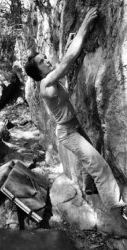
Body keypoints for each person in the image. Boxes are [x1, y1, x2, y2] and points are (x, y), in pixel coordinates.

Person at [24, 8, 127, 220]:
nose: (47, 60)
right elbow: (66, 62)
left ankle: (90, 188)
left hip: (74, 126)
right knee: (99, 165)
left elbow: (62, 62)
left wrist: (70, 43)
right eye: (43, 61)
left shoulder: (48, 78)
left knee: (94, 151)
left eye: (45, 57)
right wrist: (84, 25)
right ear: (38, 72)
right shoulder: (46, 84)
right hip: (68, 133)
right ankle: (117, 206)